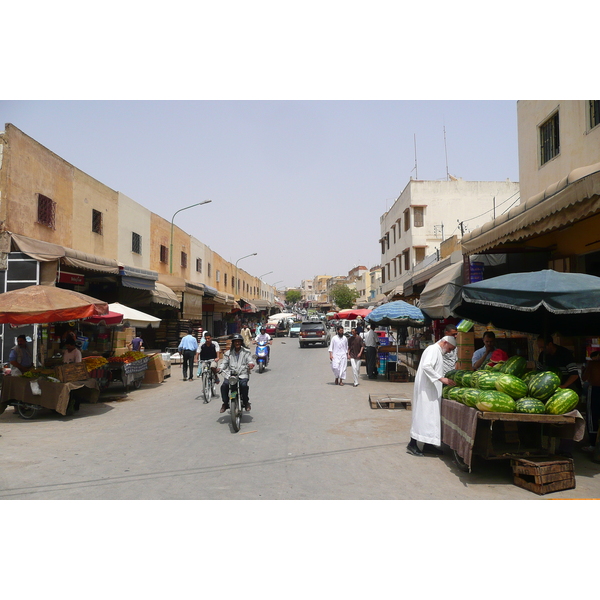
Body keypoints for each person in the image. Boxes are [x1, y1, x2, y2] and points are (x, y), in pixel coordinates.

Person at [407, 336, 457, 457]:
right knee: (423, 416)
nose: (449, 352)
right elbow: (426, 366)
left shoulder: (437, 351)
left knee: (430, 417)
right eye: (450, 349)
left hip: (431, 389)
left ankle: (428, 445)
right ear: (445, 343)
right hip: (426, 390)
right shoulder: (433, 350)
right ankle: (412, 444)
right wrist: (441, 379)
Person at [536, 335, 582, 458]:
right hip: (551, 389)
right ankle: (546, 446)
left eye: (542, 347)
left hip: (568, 387)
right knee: (549, 417)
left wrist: (563, 386)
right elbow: (538, 373)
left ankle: (565, 450)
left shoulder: (564, 354)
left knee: (567, 419)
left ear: (550, 344)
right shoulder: (542, 356)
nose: (541, 350)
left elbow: (574, 375)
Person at [219, 333, 255, 413]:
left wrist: (250, 364)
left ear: (241, 342)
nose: (237, 343)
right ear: (233, 343)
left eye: (239, 341)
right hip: (230, 375)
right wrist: (220, 368)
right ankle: (225, 403)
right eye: (236, 341)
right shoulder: (228, 353)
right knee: (224, 386)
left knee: (244, 385)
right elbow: (224, 363)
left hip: (242, 373)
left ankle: (246, 402)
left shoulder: (246, 352)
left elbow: (250, 360)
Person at [581, 351, 600, 452]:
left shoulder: (592, 364)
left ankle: (593, 444)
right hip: (595, 390)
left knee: (592, 417)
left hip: (595, 390)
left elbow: (584, 378)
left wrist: (584, 370)